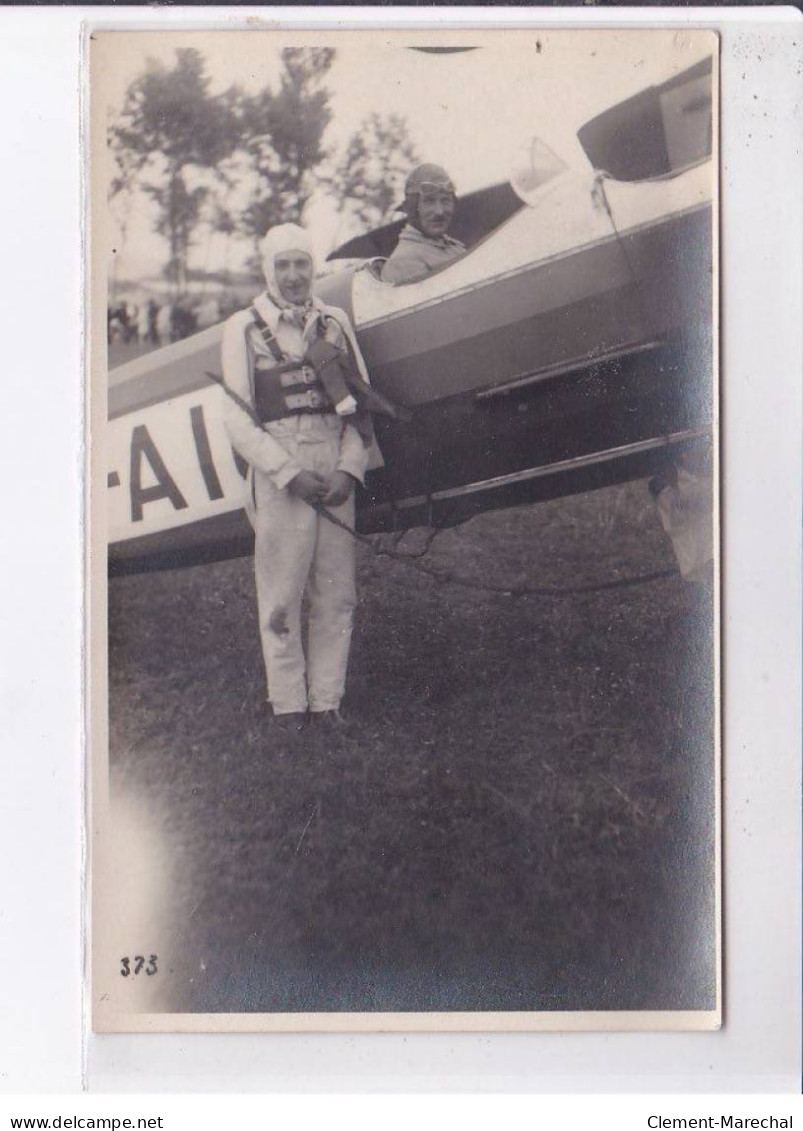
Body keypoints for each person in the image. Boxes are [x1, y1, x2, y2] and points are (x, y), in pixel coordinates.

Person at [221, 223, 372, 735]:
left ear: (313, 267)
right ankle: (287, 704)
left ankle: (327, 699)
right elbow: (238, 422)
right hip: (281, 472)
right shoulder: (243, 329)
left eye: (301, 264)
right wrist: (288, 474)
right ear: (268, 270)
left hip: (331, 465)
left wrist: (349, 469)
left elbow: (360, 406)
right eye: (282, 265)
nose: (292, 276)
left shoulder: (335, 322)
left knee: (337, 591)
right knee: (282, 592)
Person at [381, 164, 467, 286]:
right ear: (410, 208)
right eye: (429, 201)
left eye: (445, 200)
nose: (439, 211)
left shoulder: (455, 247)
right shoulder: (403, 262)